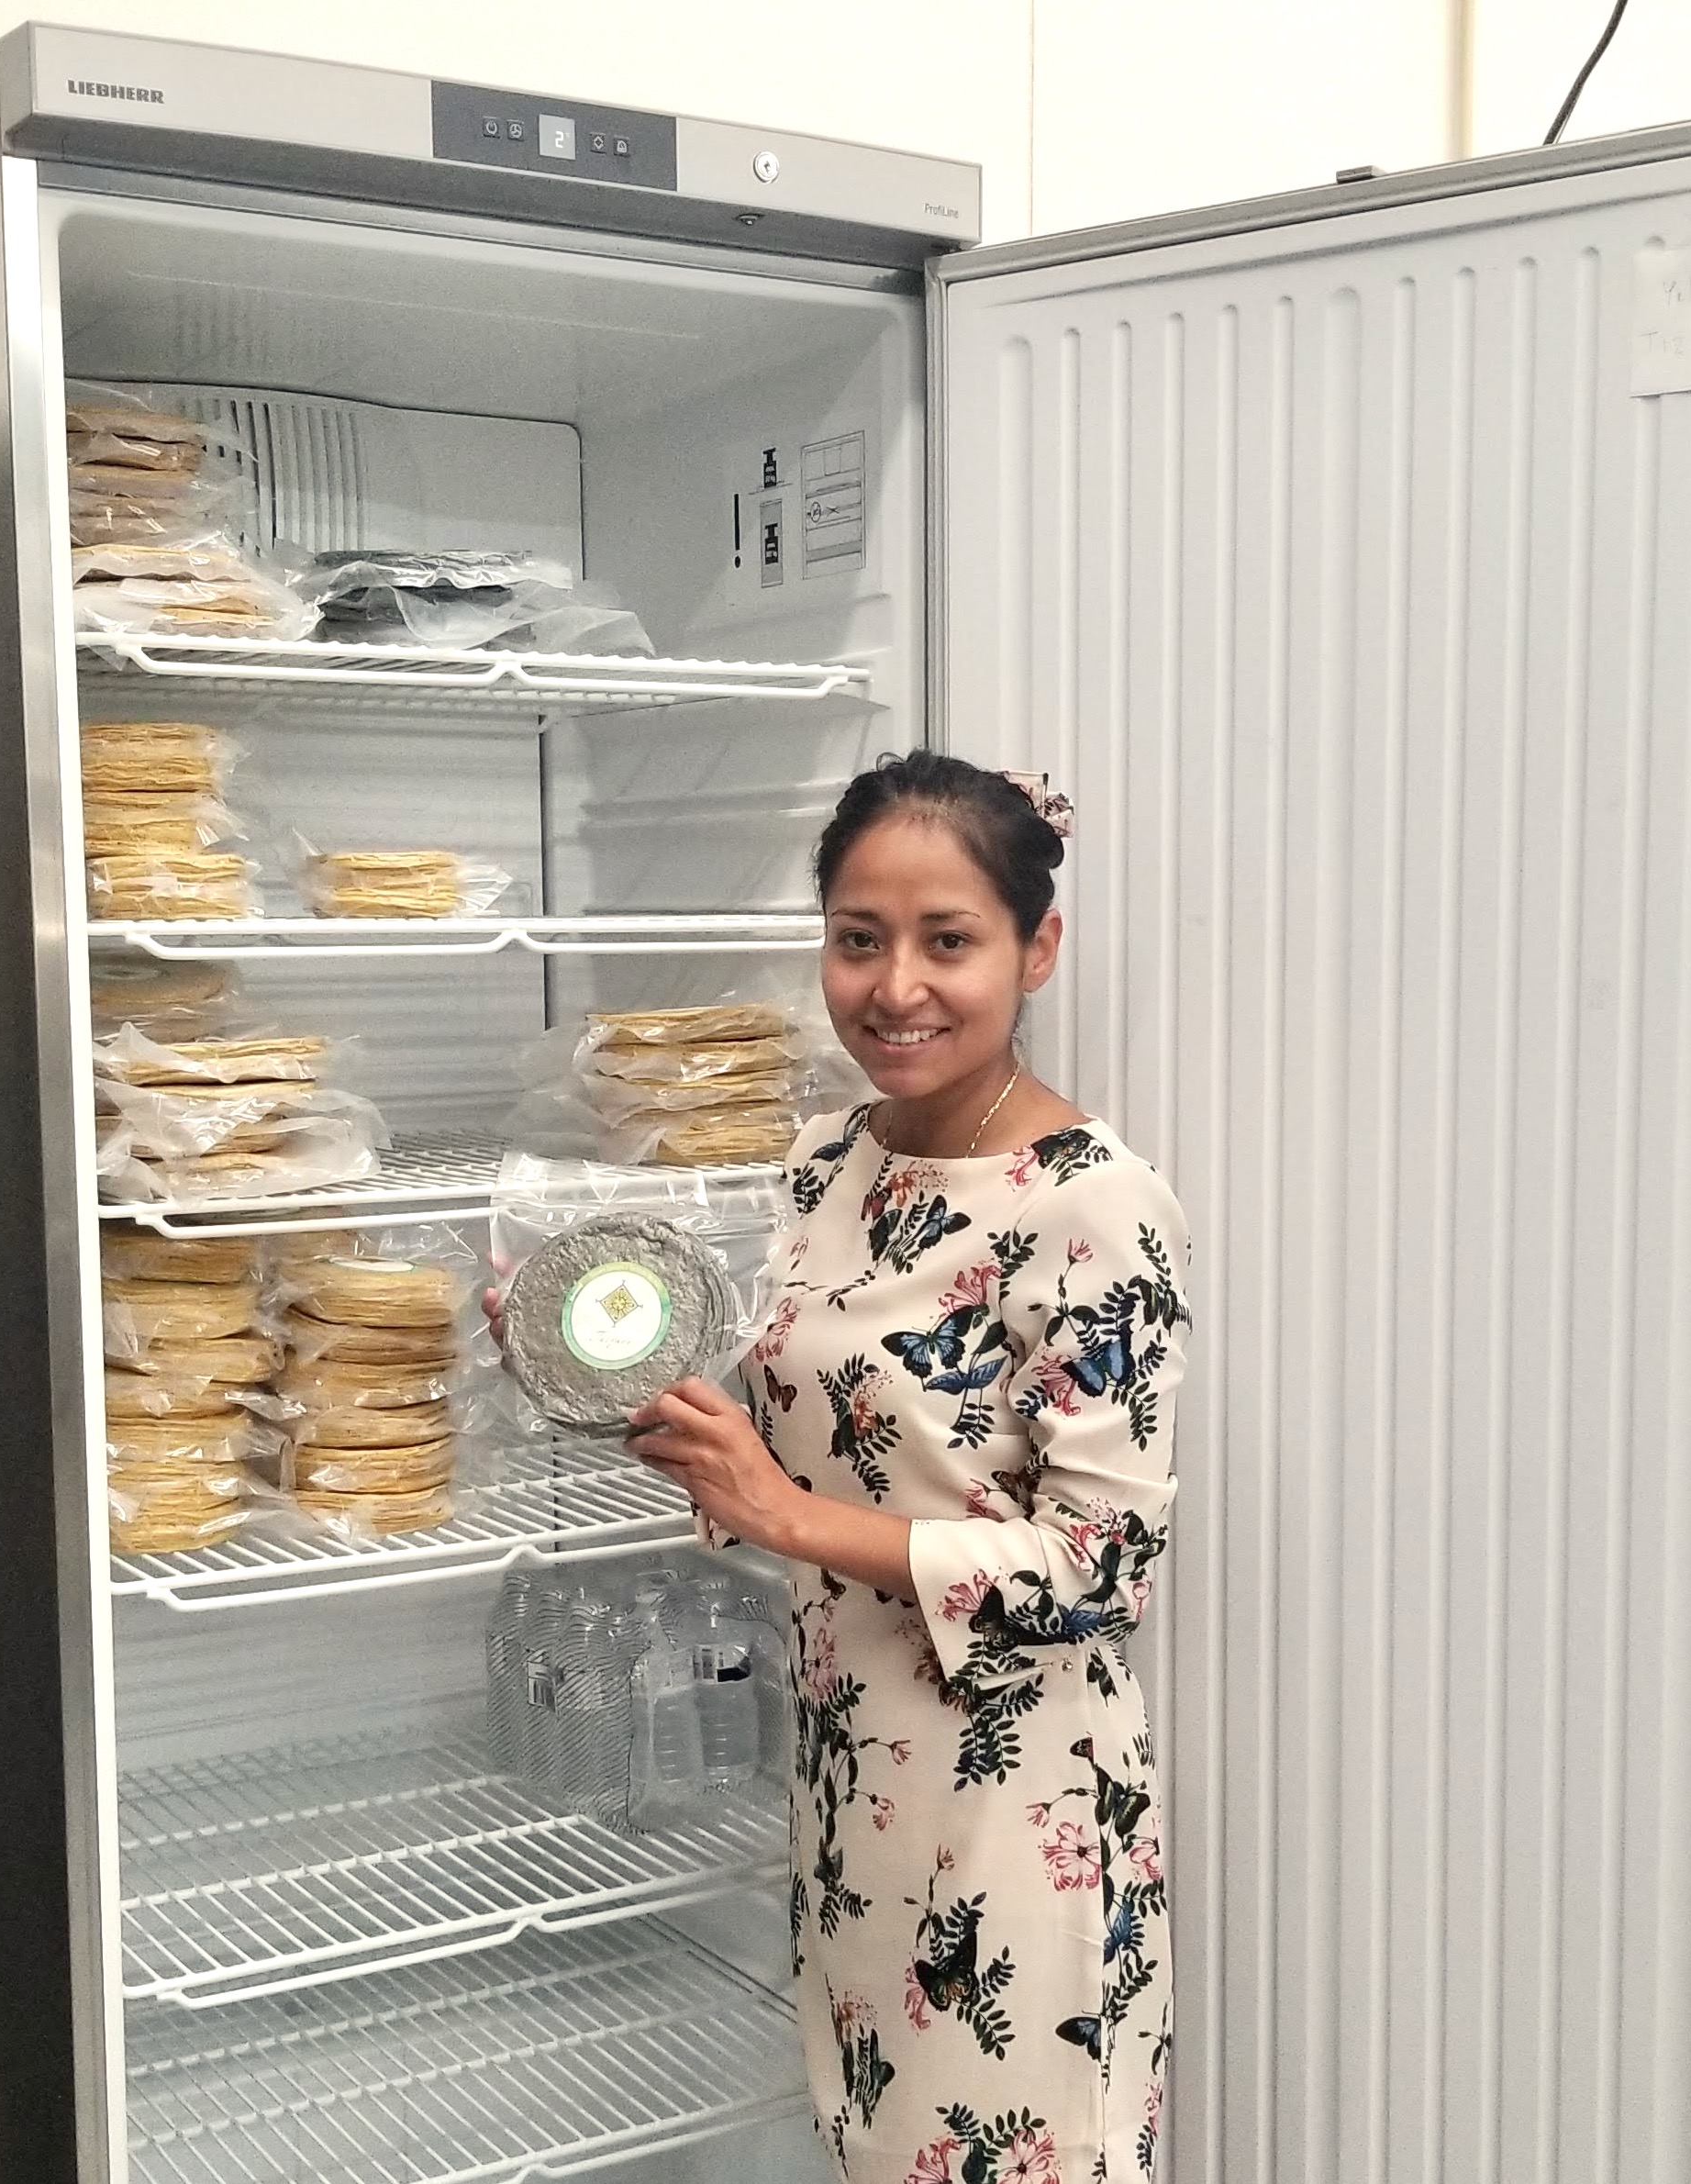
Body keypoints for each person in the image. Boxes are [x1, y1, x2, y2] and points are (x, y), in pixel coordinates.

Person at [622, 752, 1192, 2184]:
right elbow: (777, 1414)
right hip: (847, 1771)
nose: (895, 988)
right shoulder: (826, 1162)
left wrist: (787, 1514)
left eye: (949, 941)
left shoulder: (1092, 1204)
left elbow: (1097, 1571)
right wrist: (595, 1345)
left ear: (1035, 948)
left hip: (1014, 1806)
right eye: (858, 939)